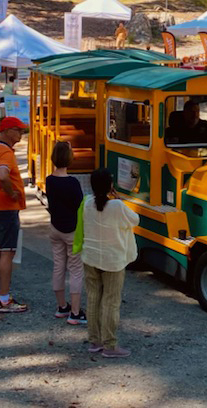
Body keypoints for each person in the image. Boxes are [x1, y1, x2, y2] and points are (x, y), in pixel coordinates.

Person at [82, 167, 139, 358]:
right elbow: (135, 220)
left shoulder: (87, 203)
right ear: (110, 185)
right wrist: (118, 199)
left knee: (93, 298)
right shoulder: (116, 206)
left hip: (90, 256)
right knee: (111, 301)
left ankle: (94, 341)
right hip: (112, 259)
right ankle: (110, 344)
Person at [0, 116, 29, 313]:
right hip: (5, 206)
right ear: (8, 131)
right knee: (7, 252)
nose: (20, 135)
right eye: (18, 131)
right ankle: (4, 298)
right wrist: (11, 192)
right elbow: (3, 174)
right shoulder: (5, 153)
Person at [46, 141, 85, 324]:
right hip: (72, 230)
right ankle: (75, 312)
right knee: (76, 270)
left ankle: (62, 306)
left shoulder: (49, 180)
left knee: (58, 266)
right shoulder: (72, 183)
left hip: (55, 227)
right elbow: (80, 205)